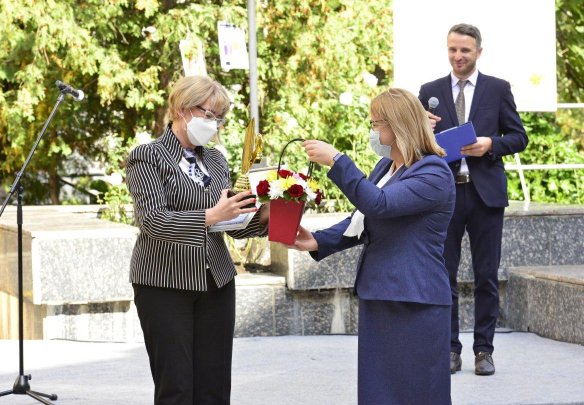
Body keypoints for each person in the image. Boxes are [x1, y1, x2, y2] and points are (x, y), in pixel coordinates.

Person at [291, 88, 456, 405]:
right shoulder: (386, 168)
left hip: (414, 299)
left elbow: (378, 204)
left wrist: (338, 161)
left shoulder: (433, 171)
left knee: (418, 391)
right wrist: (317, 240)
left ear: (397, 126)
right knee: (379, 392)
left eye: (376, 123)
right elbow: (361, 219)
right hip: (380, 292)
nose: (373, 131)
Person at [126, 75, 269, 404]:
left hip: (216, 282)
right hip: (164, 284)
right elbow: (153, 221)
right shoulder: (147, 157)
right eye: (209, 115)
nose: (215, 125)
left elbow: (229, 221)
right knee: (176, 388)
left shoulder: (216, 159)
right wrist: (211, 216)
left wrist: (268, 215)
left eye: (220, 118)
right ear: (181, 108)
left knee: (215, 387)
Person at [418, 23, 528, 376]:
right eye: (452, 49)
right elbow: (413, 144)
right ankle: (450, 349)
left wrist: (490, 144)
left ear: (478, 51)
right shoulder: (429, 91)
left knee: (486, 276)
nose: (458, 56)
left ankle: (484, 350)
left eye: (464, 50)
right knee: (443, 275)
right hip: (443, 196)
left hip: (485, 195)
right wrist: (424, 128)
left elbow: (519, 137)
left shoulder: (498, 89)